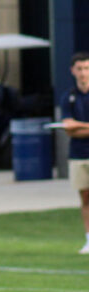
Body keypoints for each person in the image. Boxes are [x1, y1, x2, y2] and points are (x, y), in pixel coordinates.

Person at [61, 51, 89, 254]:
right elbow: (68, 127)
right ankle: (88, 239)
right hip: (78, 155)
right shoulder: (68, 97)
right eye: (79, 69)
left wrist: (78, 127)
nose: (83, 73)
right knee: (85, 198)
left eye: (86, 68)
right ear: (73, 71)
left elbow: (73, 127)